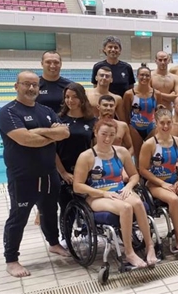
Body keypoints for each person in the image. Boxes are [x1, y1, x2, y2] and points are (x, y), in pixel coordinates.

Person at [0, 71, 70, 277]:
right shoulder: (8, 112)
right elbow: (24, 140)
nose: (31, 88)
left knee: (49, 212)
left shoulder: (45, 110)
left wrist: (37, 133)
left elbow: (64, 133)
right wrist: (50, 134)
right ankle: (11, 259)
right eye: (26, 84)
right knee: (18, 217)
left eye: (34, 85)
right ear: (16, 86)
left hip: (48, 173)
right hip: (23, 176)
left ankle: (54, 243)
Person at [73, 119, 159, 268]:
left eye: (111, 135)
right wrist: (103, 193)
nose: (107, 138)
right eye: (104, 134)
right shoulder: (86, 156)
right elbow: (77, 186)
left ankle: (150, 246)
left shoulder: (121, 152)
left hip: (120, 190)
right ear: (95, 133)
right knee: (125, 208)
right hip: (97, 195)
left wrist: (129, 187)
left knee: (138, 203)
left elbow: (134, 175)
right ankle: (129, 252)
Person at [138, 108, 178, 250]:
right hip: (154, 184)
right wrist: (162, 183)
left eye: (168, 123)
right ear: (156, 123)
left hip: (174, 180)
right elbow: (143, 170)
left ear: (172, 123)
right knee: (173, 199)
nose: (165, 126)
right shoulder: (149, 145)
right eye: (162, 123)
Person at [55, 83, 97, 245]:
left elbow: (95, 148)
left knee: (87, 202)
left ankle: (87, 231)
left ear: (82, 99)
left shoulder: (92, 121)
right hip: (65, 170)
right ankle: (65, 237)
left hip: (86, 171)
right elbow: (53, 151)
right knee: (66, 205)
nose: (70, 100)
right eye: (67, 97)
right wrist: (63, 173)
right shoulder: (58, 121)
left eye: (74, 97)